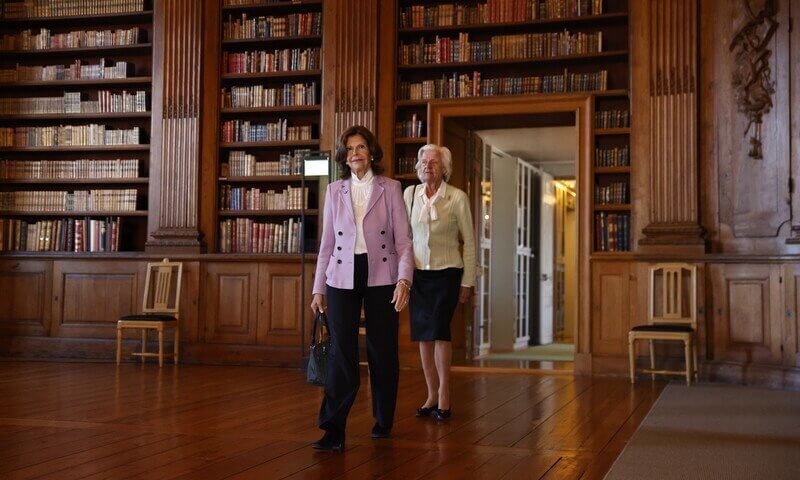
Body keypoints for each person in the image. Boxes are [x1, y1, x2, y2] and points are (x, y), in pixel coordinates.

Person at [310, 125, 414, 452]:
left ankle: (383, 420)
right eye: (350, 149)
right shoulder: (333, 191)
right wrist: (318, 289)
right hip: (341, 274)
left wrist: (404, 279)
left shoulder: (391, 188)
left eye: (361, 147)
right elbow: (326, 245)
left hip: (382, 274)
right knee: (342, 350)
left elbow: (404, 242)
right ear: (345, 156)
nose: (356, 154)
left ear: (371, 152)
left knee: (382, 350)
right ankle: (333, 429)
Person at [403, 144, 475, 421]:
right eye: (423, 161)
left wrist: (467, 281)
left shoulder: (457, 198)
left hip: (447, 274)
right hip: (419, 275)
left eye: (433, 162)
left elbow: (469, 242)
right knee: (423, 334)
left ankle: (445, 393)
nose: (427, 166)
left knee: (440, 331)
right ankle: (431, 394)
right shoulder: (410, 195)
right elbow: (404, 238)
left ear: (444, 168)